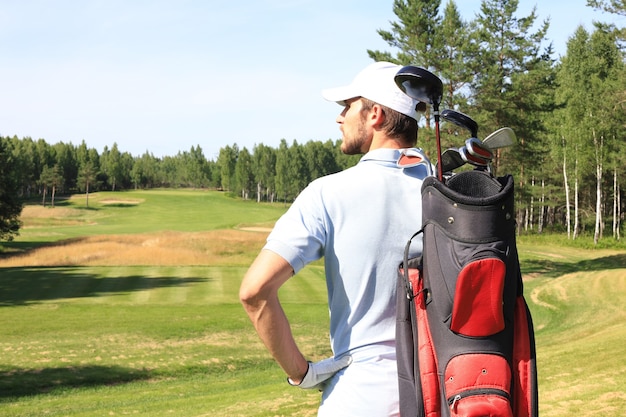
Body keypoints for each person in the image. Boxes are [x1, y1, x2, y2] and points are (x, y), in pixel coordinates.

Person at [239, 61, 431, 416]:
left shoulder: (328, 193)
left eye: (348, 106)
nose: (340, 118)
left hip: (359, 399)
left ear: (374, 114)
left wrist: (302, 373)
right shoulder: (448, 192)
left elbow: (255, 291)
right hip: (442, 394)